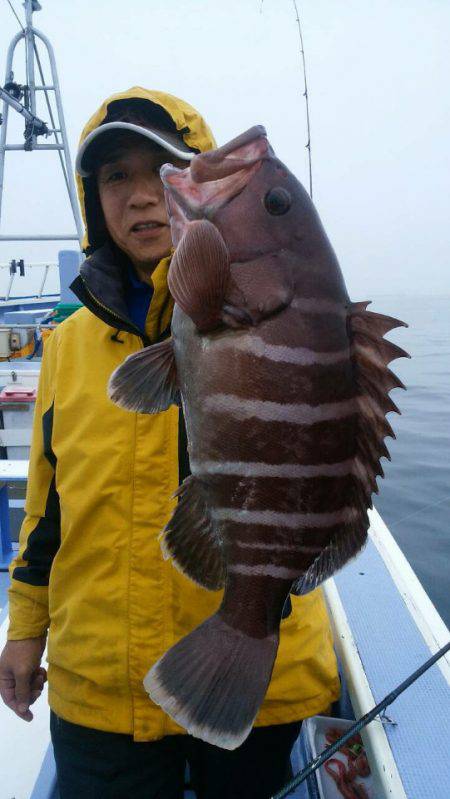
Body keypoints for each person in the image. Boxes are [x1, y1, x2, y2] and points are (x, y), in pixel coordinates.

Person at [0, 87, 340, 799]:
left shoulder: (276, 309)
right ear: (94, 200)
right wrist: (25, 626)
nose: (140, 195)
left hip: (259, 670)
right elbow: (44, 511)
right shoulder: (64, 346)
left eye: (161, 168)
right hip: (101, 684)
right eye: (115, 176)